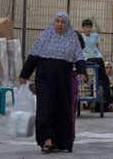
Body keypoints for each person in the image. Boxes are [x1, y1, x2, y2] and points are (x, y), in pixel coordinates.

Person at [19, 12, 88, 154]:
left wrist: (82, 73)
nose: (60, 24)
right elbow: (34, 56)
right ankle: (47, 140)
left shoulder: (72, 39)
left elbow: (79, 58)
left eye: (63, 22)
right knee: (45, 108)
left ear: (67, 24)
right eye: (57, 21)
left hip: (63, 81)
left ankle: (59, 142)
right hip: (44, 78)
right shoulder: (45, 36)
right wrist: (24, 74)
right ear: (53, 22)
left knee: (61, 109)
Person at [81, 19, 111, 111]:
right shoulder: (80, 37)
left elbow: (97, 48)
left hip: (96, 56)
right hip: (86, 57)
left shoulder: (95, 36)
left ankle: (102, 83)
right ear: (82, 28)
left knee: (99, 60)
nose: (88, 29)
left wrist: (98, 54)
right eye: (86, 27)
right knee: (97, 62)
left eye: (90, 27)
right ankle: (101, 80)